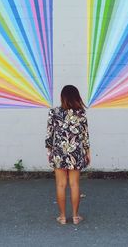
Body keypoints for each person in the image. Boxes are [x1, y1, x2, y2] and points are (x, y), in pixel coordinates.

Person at [45, 85, 91, 225]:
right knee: (74, 184)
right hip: (75, 152)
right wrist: (87, 153)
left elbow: (49, 136)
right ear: (76, 97)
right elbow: (85, 136)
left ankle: (63, 217)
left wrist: (49, 152)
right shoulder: (81, 113)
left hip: (59, 152)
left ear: (62, 97)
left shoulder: (54, 112)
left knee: (60, 185)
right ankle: (76, 217)